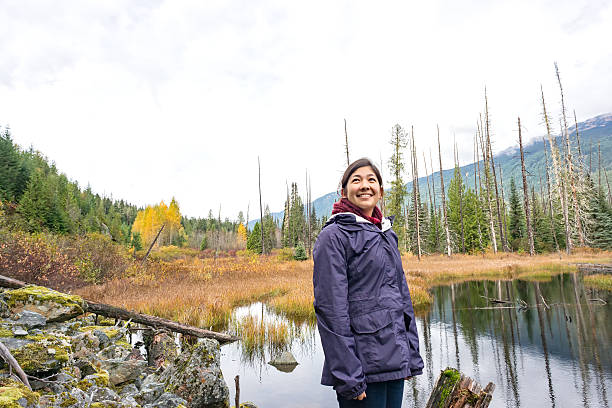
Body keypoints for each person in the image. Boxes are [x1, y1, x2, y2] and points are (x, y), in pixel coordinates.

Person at [313, 158, 424, 408]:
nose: (365, 186)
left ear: (381, 191)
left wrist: (410, 356)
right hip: (362, 369)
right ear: (344, 192)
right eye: (356, 180)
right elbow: (331, 312)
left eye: (371, 180)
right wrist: (348, 377)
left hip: (394, 362)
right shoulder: (333, 236)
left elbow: (401, 298)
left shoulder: (386, 233)